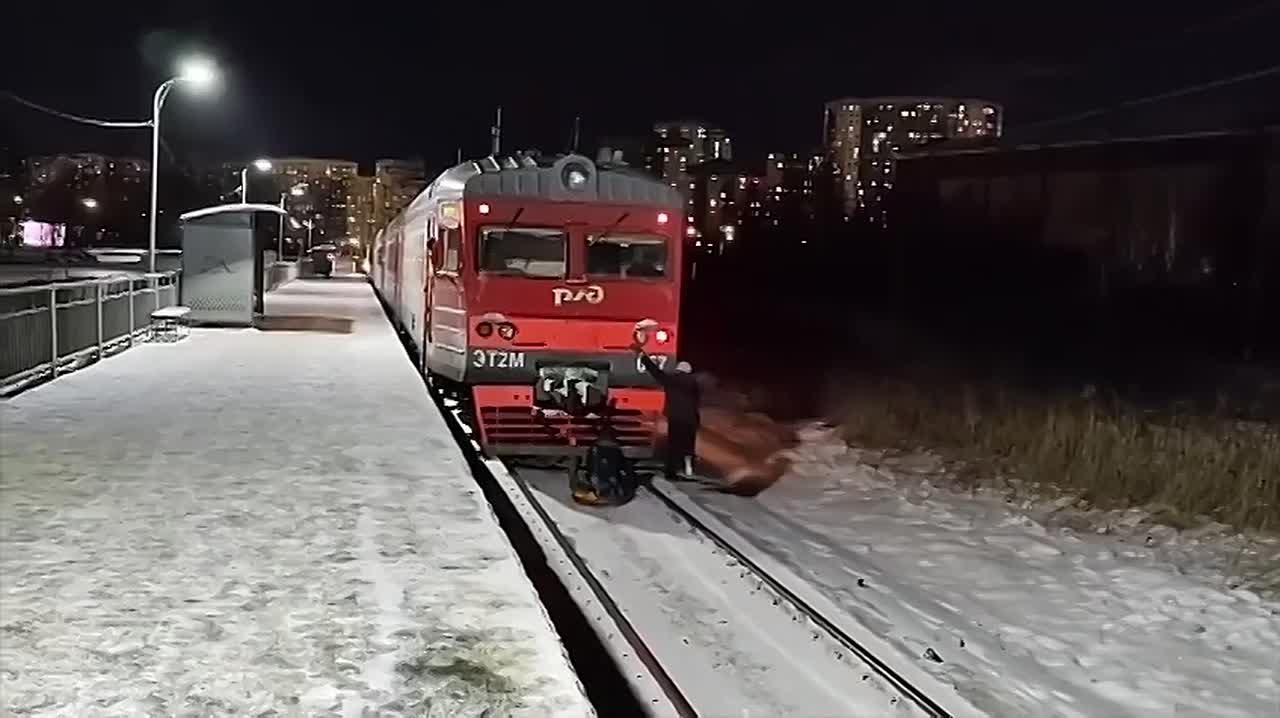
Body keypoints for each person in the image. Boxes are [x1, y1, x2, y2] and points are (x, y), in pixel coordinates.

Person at [632, 343, 700, 480]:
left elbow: (655, 372)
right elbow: (697, 401)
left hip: (675, 418)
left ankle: (671, 472)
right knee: (688, 443)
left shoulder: (671, 380)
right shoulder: (694, 383)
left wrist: (643, 356)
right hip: (690, 419)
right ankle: (688, 462)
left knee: (673, 445)